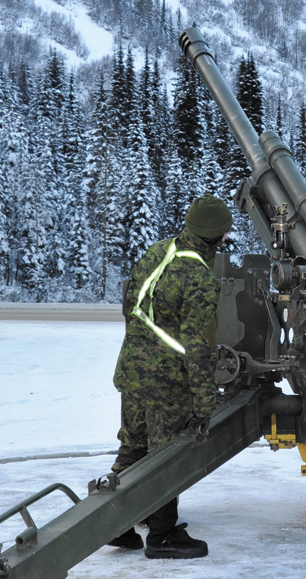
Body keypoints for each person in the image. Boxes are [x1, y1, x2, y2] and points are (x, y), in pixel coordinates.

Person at [107, 194, 232, 559]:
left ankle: (118, 524)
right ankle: (161, 535)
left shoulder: (158, 251)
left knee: (133, 446)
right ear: (219, 237)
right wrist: (204, 404)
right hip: (167, 383)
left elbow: (129, 304)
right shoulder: (201, 279)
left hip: (131, 369)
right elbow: (198, 349)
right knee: (165, 457)